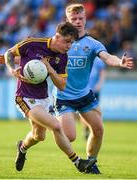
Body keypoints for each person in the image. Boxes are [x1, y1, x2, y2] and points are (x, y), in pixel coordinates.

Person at [0, 22, 96, 173]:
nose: (69, 46)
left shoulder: (62, 57)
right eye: (67, 42)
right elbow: (9, 54)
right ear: (57, 37)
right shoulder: (32, 43)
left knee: (39, 135)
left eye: (72, 43)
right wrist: (12, 70)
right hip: (24, 97)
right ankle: (78, 163)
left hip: (44, 98)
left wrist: (50, 69)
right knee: (56, 126)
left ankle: (22, 147)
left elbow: (62, 85)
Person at [54, 3, 134, 174]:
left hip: (84, 94)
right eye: (73, 19)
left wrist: (119, 61)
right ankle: (51, 124)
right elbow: (37, 55)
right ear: (67, 20)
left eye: (80, 18)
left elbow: (107, 57)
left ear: (85, 19)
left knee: (98, 129)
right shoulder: (58, 42)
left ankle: (91, 162)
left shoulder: (92, 43)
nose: (77, 21)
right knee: (70, 136)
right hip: (63, 96)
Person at [83, 57, 106, 140]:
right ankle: (86, 128)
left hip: (94, 90)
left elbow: (102, 74)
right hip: (84, 90)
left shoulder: (98, 61)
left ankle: (93, 128)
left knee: (96, 111)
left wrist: (99, 84)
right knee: (83, 111)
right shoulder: (84, 57)